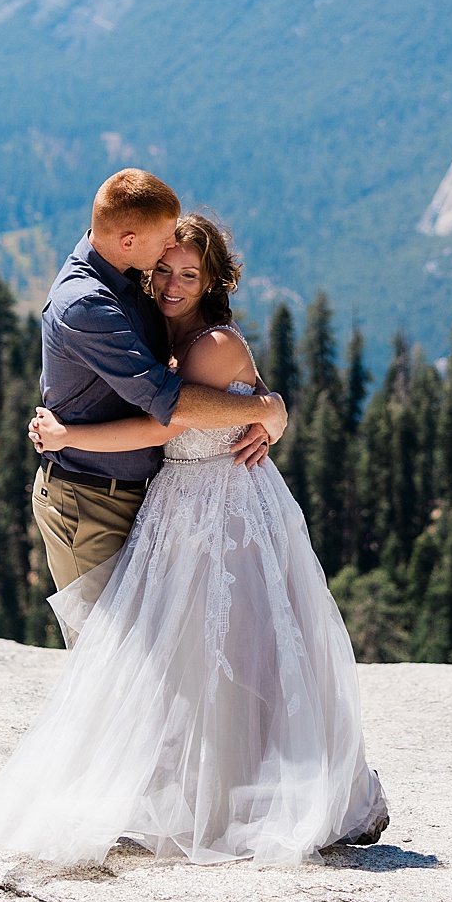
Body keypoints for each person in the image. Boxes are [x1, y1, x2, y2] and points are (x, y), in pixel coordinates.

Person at [0, 209, 389, 867]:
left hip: (227, 513)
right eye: (164, 269)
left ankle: (249, 798)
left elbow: (163, 423)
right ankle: (192, 791)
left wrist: (68, 434)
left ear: (211, 281)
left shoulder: (209, 344)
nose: (172, 282)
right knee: (185, 661)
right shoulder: (158, 335)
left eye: (189, 274)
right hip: (179, 506)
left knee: (234, 656)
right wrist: (269, 406)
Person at [26, 170, 286, 599]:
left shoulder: (130, 281)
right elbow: (171, 405)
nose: (169, 247)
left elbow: (223, 366)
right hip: (89, 502)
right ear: (129, 241)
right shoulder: (87, 304)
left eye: (188, 273)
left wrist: (264, 400)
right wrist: (264, 410)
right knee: (102, 649)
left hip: (146, 502)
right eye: (165, 241)